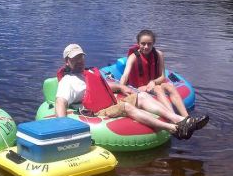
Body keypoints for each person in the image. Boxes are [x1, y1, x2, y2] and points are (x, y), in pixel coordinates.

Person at [55, 43, 209, 140]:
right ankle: (175, 129)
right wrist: (62, 127)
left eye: (81, 57)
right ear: (67, 62)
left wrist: (121, 87)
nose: (80, 61)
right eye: (75, 59)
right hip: (95, 111)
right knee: (126, 107)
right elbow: (60, 101)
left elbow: (104, 87)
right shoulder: (67, 82)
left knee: (141, 96)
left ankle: (181, 120)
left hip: (109, 103)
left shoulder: (88, 74)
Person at [120, 29, 189, 117]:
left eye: (149, 44)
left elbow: (163, 77)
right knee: (158, 89)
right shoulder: (133, 57)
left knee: (169, 86)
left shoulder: (159, 55)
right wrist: (121, 87)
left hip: (154, 84)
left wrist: (153, 82)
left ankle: (186, 117)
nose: (146, 47)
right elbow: (125, 76)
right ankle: (176, 118)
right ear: (138, 43)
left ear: (153, 43)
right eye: (143, 43)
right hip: (138, 88)